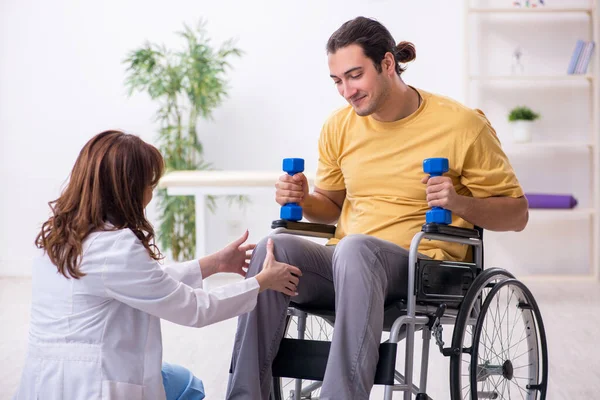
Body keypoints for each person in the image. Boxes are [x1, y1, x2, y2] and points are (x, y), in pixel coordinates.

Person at [226, 16, 528, 400]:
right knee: (274, 248)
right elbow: (330, 207)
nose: (346, 91)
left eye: (354, 76)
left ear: (387, 64)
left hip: (423, 268)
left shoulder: (462, 125)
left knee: (356, 248)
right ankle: (243, 396)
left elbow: (517, 214)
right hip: (346, 265)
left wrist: (457, 202)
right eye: (337, 80)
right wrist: (303, 198)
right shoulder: (339, 126)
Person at [12, 130, 302, 400]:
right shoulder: (116, 245)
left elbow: (144, 282)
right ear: (128, 189)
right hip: (95, 384)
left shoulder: (58, 235)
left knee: (180, 380)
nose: (150, 194)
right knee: (189, 387)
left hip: (43, 381)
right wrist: (263, 282)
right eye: (149, 184)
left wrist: (213, 264)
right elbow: (195, 309)